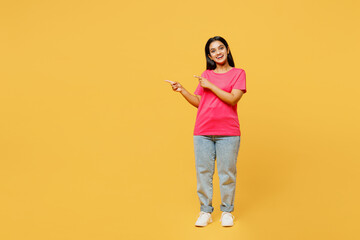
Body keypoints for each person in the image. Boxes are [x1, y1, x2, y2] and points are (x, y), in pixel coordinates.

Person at [165, 36, 247, 227]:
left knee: (227, 173)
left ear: (227, 49)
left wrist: (210, 85)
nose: (218, 53)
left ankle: (227, 211)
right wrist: (182, 90)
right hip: (202, 130)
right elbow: (201, 103)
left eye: (220, 48)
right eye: (213, 51)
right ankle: (205, 211)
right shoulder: (206, 74)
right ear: (209, 55)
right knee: (203, 173)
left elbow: (233, 99)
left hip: (228, 132)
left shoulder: (238, 73)